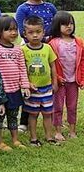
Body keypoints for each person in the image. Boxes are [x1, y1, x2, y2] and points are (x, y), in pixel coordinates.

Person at [15, 0, 57, 132]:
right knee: (30, 82)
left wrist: (46, 40)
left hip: (48, 48)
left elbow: (56, 25)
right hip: (29, 49)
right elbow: (21, 29)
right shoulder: (23, 9)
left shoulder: (50, 7)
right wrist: (34, 41)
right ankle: (24, 121)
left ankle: (51, 117)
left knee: (46, 80)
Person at [0, 15, 30, 151]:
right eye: (9, 30)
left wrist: (25, 85)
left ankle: (15, 139)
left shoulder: (18, 49)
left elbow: (22, 68)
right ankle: (0, 142)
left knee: (13, 116)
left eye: (15, 29)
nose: (13, 33)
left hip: (14, 90)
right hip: (0, 91)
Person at [21, 15, 59, 146]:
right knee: (33, 114)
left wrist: (55, 82)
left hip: (47, 88)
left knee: (48, 114)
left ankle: (49, 137)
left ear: (44, 32)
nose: (35, 35)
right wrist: (27, 84)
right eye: (31, 33)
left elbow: (53, 66)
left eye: (38, 32)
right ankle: (33, 138)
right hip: (32, 90)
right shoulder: (23, 50)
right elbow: (22, 69)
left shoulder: (47, 48)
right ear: (25, 34)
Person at [49, 11, 84, 141]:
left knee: (72, 106)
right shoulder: (53, 43)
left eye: (71, 23)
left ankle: (72, 130)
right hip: (59, 82)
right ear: (57, 26)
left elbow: (82, 62)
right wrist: (56, 78)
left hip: (74, 81)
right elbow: (51, 64)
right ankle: (57, 131)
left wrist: (81, 78)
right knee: (57, 106)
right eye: (64, 24)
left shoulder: (79, 42)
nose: (69, 26)